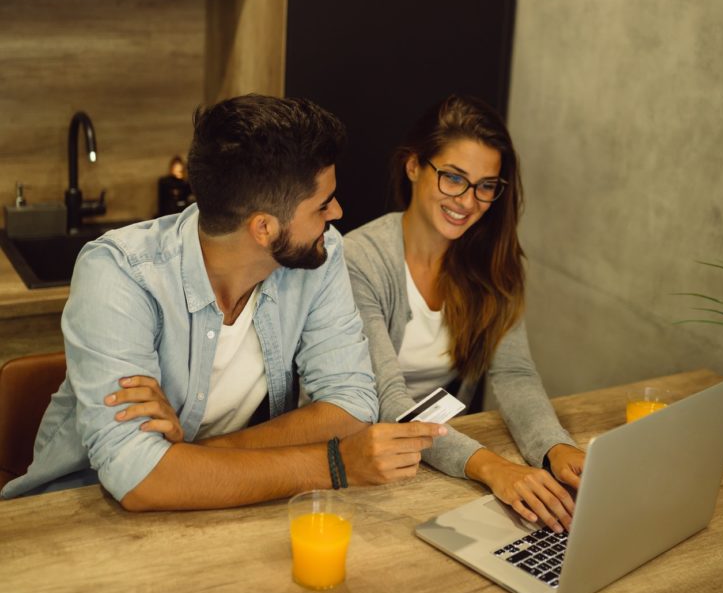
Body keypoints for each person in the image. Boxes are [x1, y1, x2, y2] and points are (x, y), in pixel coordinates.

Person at [1, 95, 445, 510]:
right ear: (264, 229)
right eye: (322, 205)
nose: (337, 214)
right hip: (77, 511)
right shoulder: (120, 274)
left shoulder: (320, 254)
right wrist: (333, 465)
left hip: (227, 501)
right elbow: (138, 480)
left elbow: (351, 406)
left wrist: (188, 457)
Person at [343, 94, 584, 534]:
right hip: (361, 463)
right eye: (453, 178)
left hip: (438, 460)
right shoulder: (359, 259)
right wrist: (491, 467)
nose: (468, 202)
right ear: (413, 166)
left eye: (486, 186)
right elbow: (387, 403)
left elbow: (513, 375)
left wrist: (555, 448)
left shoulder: (495, 262)